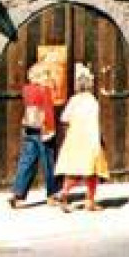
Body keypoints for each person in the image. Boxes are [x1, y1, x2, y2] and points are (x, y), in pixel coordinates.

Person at [54, 63, 110, 212]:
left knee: (73, 171)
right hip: (90, 139)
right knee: (91, 171)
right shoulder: (92, 101)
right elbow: (93, 122)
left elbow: (64, 118)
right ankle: (90, 201)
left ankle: (64, 194)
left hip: (74, 139)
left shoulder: (74, 100)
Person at [7, 61, 60, 208]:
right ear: (42, 76)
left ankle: (18, 194)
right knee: (48, 163)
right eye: (47, 74)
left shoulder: (27, 89)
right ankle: (52, 194)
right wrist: (50, 130)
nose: (49, 76)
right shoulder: (45, 90)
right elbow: (48, 111)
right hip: (43, 130)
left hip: (30, 128)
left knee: (27, 162)